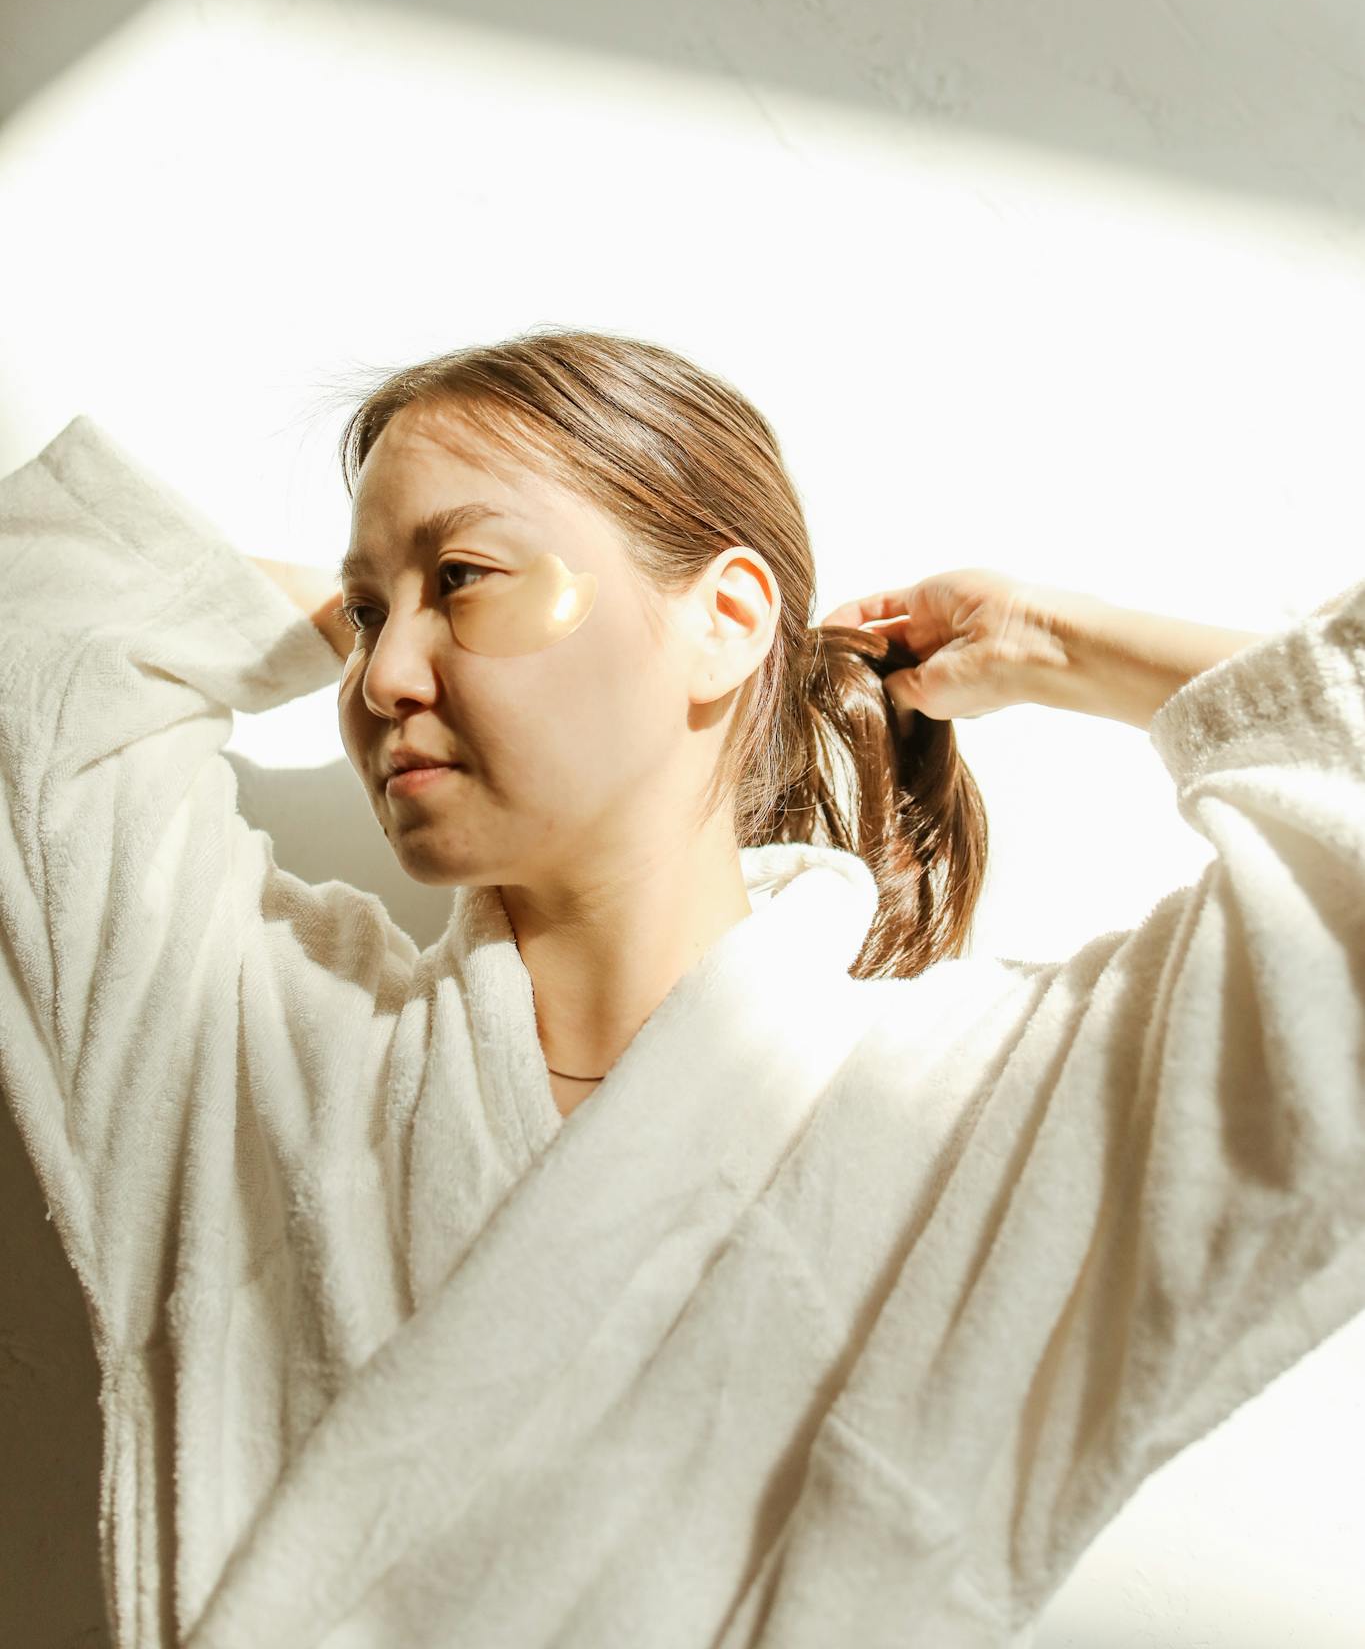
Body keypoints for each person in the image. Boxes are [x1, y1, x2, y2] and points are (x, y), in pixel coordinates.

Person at [1, 324, 1361, 1649]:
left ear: (723, 620)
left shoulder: (966, 1112)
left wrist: (1052, 642)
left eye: (467, 577)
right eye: (367, 616)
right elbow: (36, 651)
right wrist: (387, 589)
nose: (381, 676)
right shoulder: (257, 1035)